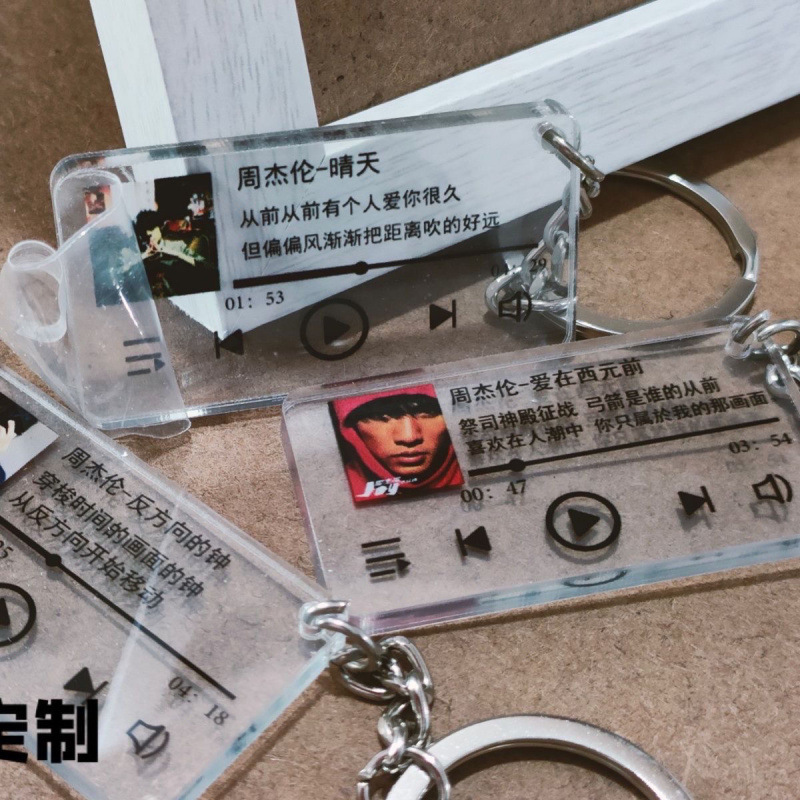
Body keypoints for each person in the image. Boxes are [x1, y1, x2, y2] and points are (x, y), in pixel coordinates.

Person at [331, 385, 463, 503]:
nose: (409, 437)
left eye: (430, 411)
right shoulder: (332, 493)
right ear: (351, 428)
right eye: (380, 415)